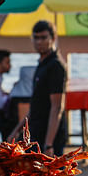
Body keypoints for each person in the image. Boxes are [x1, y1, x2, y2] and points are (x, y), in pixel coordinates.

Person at [9, 20, 68, 155]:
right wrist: (17, 130)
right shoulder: (42, 64)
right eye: (36, 38)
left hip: (49, 137)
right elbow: (36, 105)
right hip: (35, 133)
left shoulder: (56, 66)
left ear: (53, 38)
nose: (39, 42)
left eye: (43, 38)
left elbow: (57, 107)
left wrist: (48, 145)